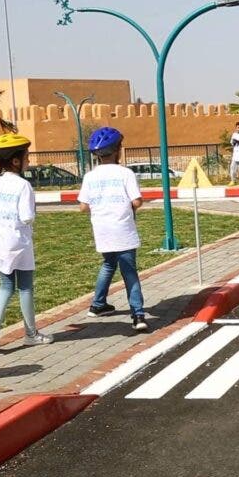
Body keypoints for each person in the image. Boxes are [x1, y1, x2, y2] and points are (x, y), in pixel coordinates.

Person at [0, 134, 54, 349]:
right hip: (19, 242)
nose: (28, 160)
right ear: (15, 160)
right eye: (26, 156)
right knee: (25, 288)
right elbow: (27, 217)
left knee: (5, 287)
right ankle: (31, 333)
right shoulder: (23, 186)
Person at [79, 127, 149, 331]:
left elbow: (83, 206)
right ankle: (138, 314)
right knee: (129, 271)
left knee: (108, 264)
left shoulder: (90, 177)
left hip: (102, 229)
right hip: (123, 229)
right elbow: (137, 202)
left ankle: (98, 304)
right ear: (117, 150)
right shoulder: (125, 173)